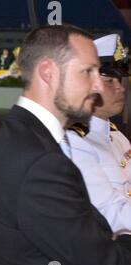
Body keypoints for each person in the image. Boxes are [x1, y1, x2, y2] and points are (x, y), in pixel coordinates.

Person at [0, 24, 131, 265]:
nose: (97, 85)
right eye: (88, 72)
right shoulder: (40, 161)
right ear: (48, 73)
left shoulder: (22, 136)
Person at [61, 34, 131, 238]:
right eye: (109, 81)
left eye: (120, 80)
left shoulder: (117, 137)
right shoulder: (75, 142)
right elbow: (107, 213)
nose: (120, 88)